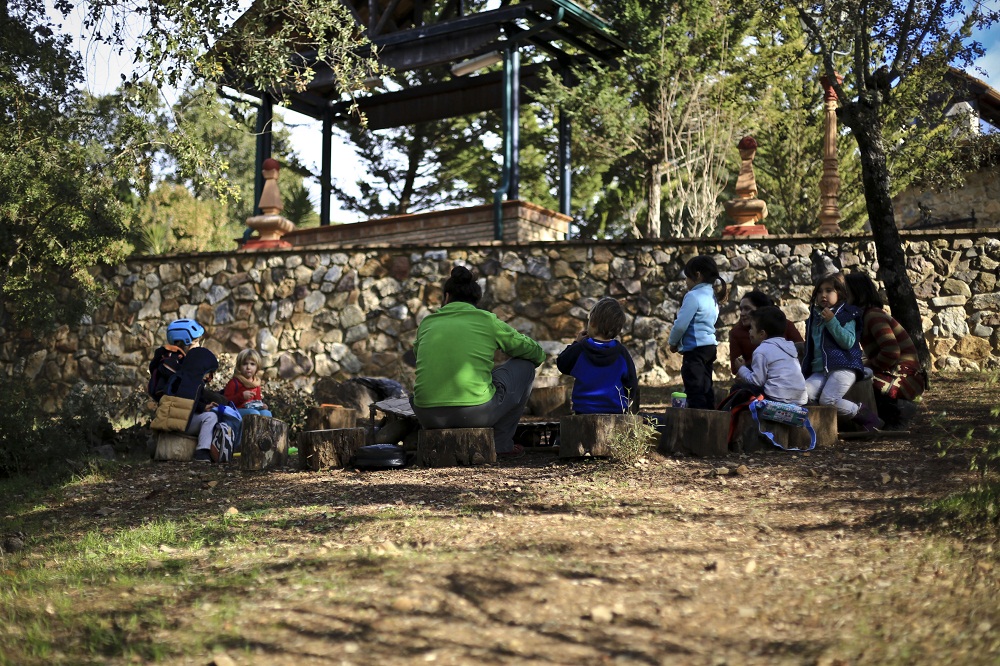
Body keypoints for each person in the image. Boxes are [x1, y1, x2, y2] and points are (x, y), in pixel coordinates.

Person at [410, 266, 546, 458]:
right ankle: (501, 444)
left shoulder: (427, 322)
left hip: (428, 415)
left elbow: (419, 356)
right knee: (525, 367)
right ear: (476, 300)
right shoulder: (486, 320)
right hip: (475, 414)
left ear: (446, 297)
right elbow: (535, 353)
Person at [801, 272, 882, 431]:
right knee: (803, 396)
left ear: (840, 293)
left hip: (844, 366)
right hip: (819, 370)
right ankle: (819, 431)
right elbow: (812, 344)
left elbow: (848, 342)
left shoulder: (848, 313)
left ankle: (869, 418)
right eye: (819, 291)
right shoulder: (814, 316)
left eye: (829, 290)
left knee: (828, 400)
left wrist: (832, 321)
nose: (823, 295)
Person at [845, 272, 927, 428]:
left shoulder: (873, 316)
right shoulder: (866, 316)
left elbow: (891, 352)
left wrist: (867, 366)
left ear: (857, 293)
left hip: (904, 380)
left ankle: (896, 412)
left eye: (846, 292)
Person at [556, 297, 640, 414]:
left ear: (593, 322)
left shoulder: (580, 349)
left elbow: (562, 364)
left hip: (584, 410)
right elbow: (631, 384)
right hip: (614, 411)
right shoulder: (621, 353)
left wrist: (575, 343)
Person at [667, 256, 726, 410]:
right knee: (706, 386)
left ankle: (696, 418)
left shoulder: (693, 296)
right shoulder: (712, 296)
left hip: (695, 350)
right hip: (709, 347)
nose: (686, 281)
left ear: (697, 275)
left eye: (687, 277)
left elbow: (680, 325)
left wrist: (673, 342)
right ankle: (710, 414)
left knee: (694, 387)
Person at [162, 347, 228, 462]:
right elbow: (184, 403)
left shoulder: (184, 380)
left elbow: (194, 400)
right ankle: (202, 451)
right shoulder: (186, 383)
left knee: (211, 415)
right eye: (208, 373)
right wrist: (202, 407)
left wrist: (205, 405)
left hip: (183, 421)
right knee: (211, 417)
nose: (209, 377)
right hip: (179, 422)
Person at [733, 306, 808, 405]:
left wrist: (742, 369)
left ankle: (740, 418)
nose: (749, 331)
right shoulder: (789, 347)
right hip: (800, 399)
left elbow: (757, 381)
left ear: (762, 334)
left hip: (776, 397)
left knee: (737, 389)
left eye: (751, 328)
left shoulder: (761, 351)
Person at [729, 290, 803, 376]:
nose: (742, 313)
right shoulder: (736, 333)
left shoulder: (784, 325)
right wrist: (758, 362)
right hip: (755, 377)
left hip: (787, 375)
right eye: (741, 309)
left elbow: (801, 350)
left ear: (761, 309)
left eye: (747, 309)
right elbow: (736, 368)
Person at [147, 318, 205, 399]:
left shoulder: (181, 358)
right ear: (184, 343)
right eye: (195, 342)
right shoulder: (171, 359)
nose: (198, 345)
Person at [223, 348, 272, 417]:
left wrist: (262, 406)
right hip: (236, 411)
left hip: (253, 410)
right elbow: (225, 401)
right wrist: (241, 396)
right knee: (253, 413)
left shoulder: (256, 384)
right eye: (245, 364)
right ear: (239, 366)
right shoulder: (234, 382)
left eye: (252, 364)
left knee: (267, 413)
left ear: (257, 367)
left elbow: (257, 401)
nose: (248, 367)